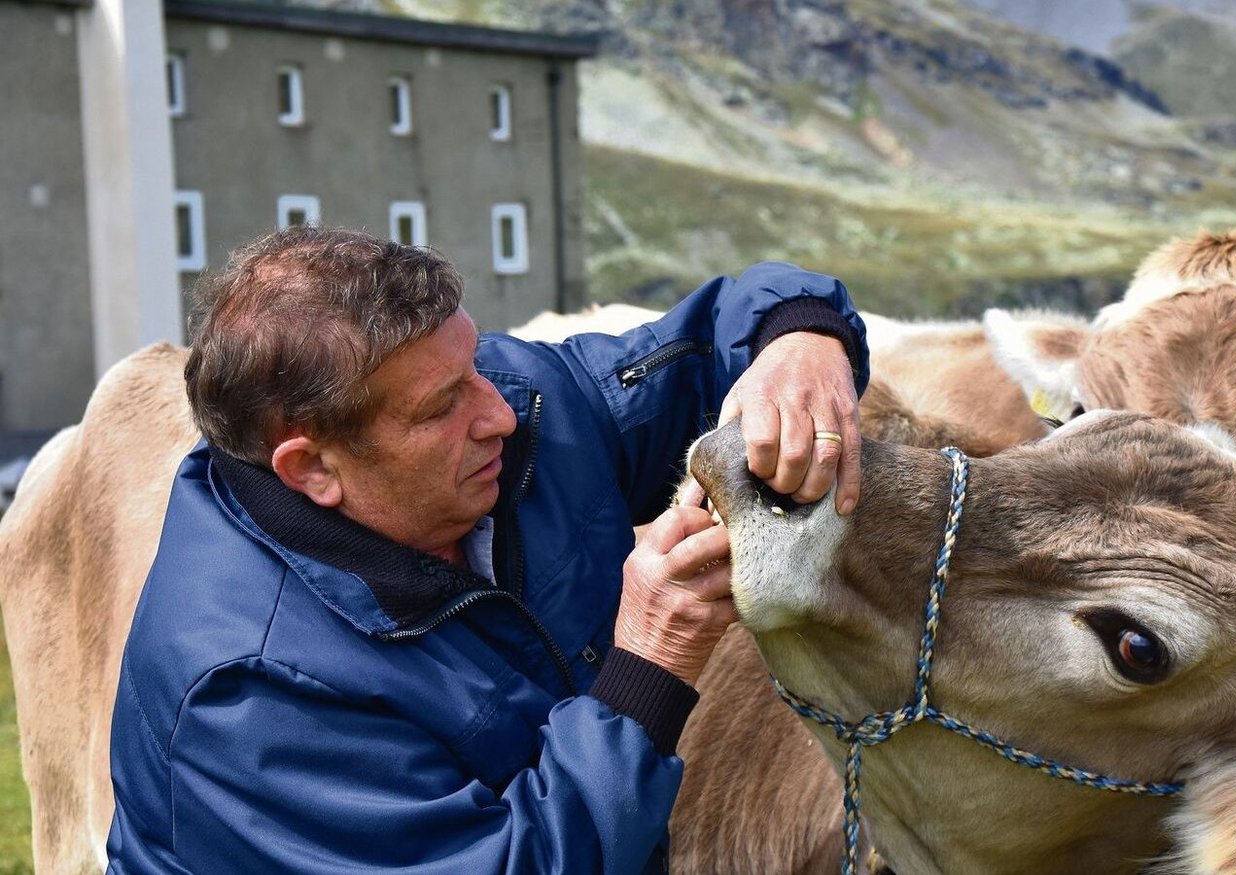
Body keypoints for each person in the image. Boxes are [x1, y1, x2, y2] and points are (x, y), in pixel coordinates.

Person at [106, 226, 869, 873]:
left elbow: (714, 337)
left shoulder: (512, 408)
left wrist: (801, 344)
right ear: (312, 468)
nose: (500, 411)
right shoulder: (248, 692)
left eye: (472, 364)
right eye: (444, 404)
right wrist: (649, 662)